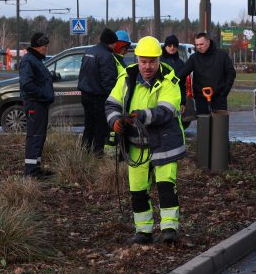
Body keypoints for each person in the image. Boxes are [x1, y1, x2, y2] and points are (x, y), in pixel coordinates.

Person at [106, 36, 186, 245]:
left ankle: (169, 229)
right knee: (138, 189)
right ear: (137, 60)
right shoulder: (126, 78)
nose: (147, 66)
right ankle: (143, 231)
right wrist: (115, 121)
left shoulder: (170, 80)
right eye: (143, 61)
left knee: (166, 186)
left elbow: (166, 111)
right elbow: (111, 104)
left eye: (152, 61)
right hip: (136, 144)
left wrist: (142, 115)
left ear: (159, 60)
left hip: (164, 142)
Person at [77, 28, 121, 155]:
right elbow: (109, 81)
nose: (115, 46)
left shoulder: (89, 51)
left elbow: (83, 73)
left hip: (85, 95)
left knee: (88, 126)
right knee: (100, 128)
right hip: (98, 97)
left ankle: (83, 153)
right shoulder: (107, 56)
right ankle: (97, 155)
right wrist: (113, 99)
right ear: (110, 42)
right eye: (114, 43)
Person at [19, 32, 55, 178]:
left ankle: (35, 168)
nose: (46, 49)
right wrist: (44, 93)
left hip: (40, 104)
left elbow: (38, 79)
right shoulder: (29, 60)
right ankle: (31, 171)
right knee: (34, 136)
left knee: (39, 136)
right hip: (35, 104)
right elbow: (27, 84)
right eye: (45, 46)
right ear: (39, 46)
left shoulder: (35, 60)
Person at [177, 32, 235, 115]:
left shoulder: (222, 56)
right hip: (201, 99)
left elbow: (231, 73)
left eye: (201, 44)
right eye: (197, 45)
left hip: (219, 98)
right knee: (203, 126)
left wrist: (224, 92)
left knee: (219, 126)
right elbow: (182, 73)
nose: (199, 47)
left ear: (208, 42)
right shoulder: (194, 58)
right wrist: (171, 81)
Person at [160, 34, 187, 107]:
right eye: (169, 45)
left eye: (174, 46)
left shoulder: (180, 63)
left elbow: (182, 84)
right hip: (160, 97)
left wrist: (183, 102)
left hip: (176, 99)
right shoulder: (157, 61)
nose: (172, 48)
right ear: (165, 46)